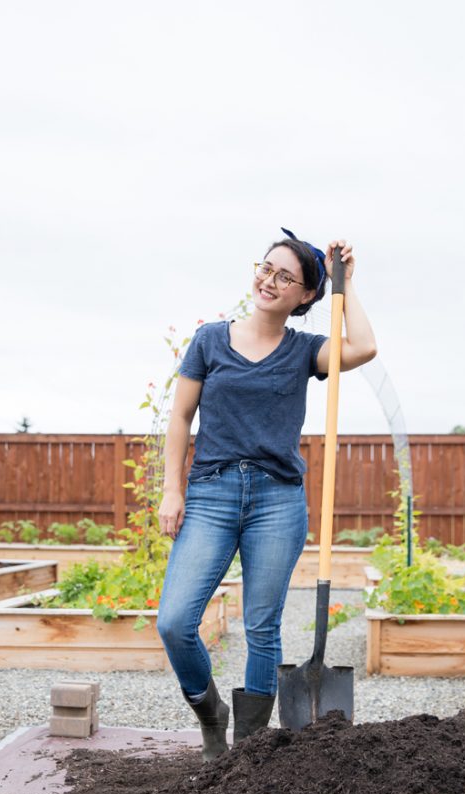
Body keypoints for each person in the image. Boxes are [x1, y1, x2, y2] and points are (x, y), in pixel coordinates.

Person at [157, 229, 377, 761]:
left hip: (277, 500)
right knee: (175, 621)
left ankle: (246, 751)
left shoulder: (305, 351)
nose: (269, 280)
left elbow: (364, 347)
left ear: (305, 296)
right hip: (211, 492)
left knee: (261, 625)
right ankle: (212, 714)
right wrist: (172, 488)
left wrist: (348, 281)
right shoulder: (210, 340)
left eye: (285, 276)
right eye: (266, 267)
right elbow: (181, 416)